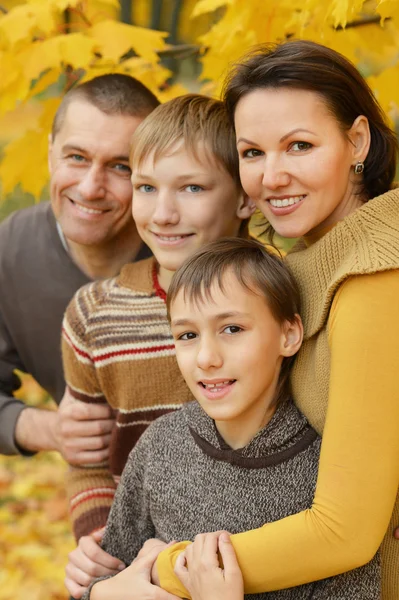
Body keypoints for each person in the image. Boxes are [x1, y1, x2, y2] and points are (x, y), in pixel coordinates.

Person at [155, 40, 399, 599]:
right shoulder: (315, 259)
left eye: (299, 146)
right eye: (253, 153)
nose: (272, 176)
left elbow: (345, 532)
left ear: (356, 140)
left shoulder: (376, 277)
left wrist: (163, 572)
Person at [79, 237, 380, 600]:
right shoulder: (160, 447)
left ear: (289, 334)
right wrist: (99, 594)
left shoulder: (327, 477)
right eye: (187, 335)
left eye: (232, 329)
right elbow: (109, 580)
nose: (206, 357)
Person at [62, 94, 254, 599]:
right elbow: (88, 460)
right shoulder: (94, 314)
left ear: (243, 198)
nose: (164, 214)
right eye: (146, 187)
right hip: (143, 579)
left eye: (191, 187)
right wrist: (99, 549)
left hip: (266, 564)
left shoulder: (281, 296)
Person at [0, 74, 157, 459]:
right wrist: (48, 429)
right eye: (77, 157)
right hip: (99, 495)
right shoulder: (11, 251)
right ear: (51, 151)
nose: (90, 188)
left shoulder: (192, 251)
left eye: (121, 166)